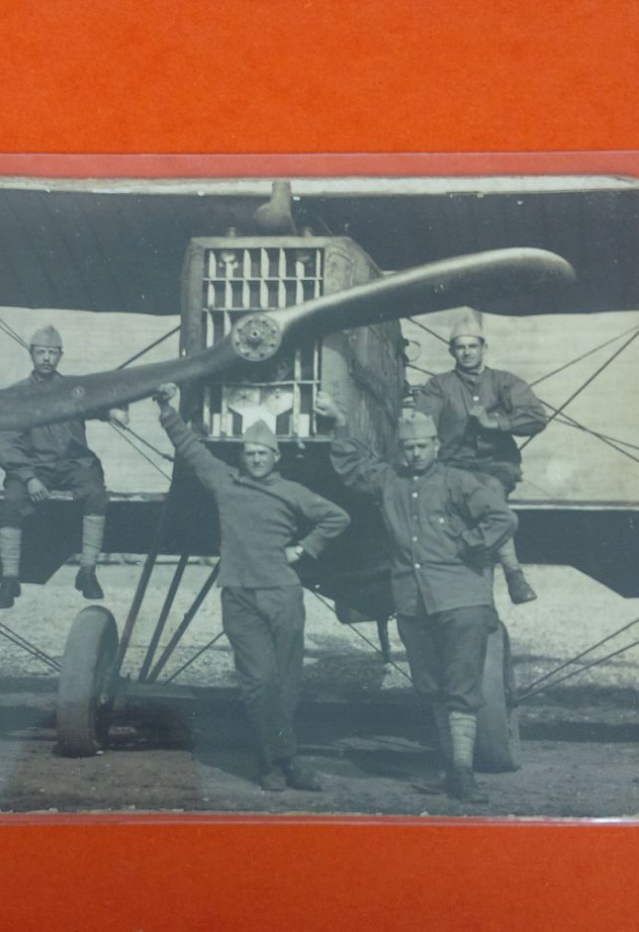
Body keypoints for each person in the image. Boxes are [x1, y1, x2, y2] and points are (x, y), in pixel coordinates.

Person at [315, 391, 516, 803]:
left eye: (422, 446)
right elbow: (354, 467)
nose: (415, 454)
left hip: (461, 601)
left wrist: (469, 543)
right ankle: (451, 770)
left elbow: (502, 518)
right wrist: (338, 423)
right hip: (412, 603)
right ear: (399, 450)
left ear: (436, 447)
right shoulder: (389, 481)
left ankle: (463, 774)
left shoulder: (460, 482)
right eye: (407, 448)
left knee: (461, 687)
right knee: (431, 688)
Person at [156, 382, 350, 792]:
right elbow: (192, 450)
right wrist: (167, 410)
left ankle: (274, 763)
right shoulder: (225, 483)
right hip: (239, 596)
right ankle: (284, 761)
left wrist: (305, 548)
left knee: (286, 682)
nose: (257, 459)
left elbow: (336, 517)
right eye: (250, 453)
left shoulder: (292, 492)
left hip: (283, 595)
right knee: (259, 682)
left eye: (264, 453)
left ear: (276, 457)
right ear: (241, 456)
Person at [413, 310, 547, 604]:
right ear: (452, 351)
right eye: (461, 347)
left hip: (495, 468)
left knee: (489, 500)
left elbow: (537, 417)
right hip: (451, 468)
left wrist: (496, 422)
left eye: (473, 346)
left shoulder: (504, 382)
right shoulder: (439, 385)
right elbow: (424, 419)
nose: (467, 352)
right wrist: (427, 431)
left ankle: (513, 574)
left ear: (484, 348)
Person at [0, 325, 113, 609]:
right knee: (12, 500)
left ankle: (87, 571)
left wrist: (114, 411)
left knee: (96, 493)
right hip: (35, 466)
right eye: (41, 352)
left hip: (73, 464)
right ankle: (9, 578)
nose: (46, 358)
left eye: (52, 353)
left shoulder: (74, 390)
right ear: (31, 354)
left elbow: (101, 400)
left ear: (60, 356)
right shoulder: (16, 394)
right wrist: (28, 477)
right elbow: (7, 443)